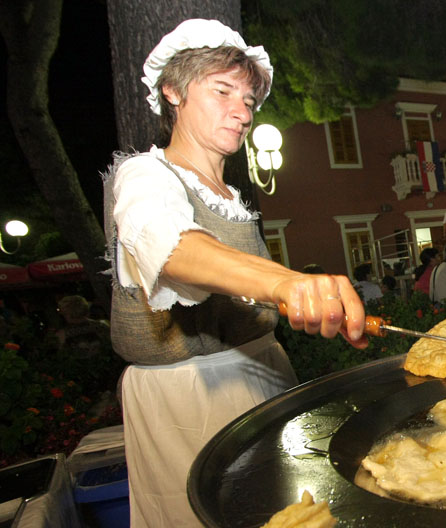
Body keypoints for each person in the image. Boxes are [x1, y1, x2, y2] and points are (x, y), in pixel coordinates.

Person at [104, 19, 367, 527]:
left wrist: (288, 306)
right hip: (188, 399)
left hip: (261, 371)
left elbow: (237, 290)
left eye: (248, 99)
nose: (241, 110)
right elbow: (171, 246)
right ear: (173, 91)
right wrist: (286, 282)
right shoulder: (144, 174)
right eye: (222, 90)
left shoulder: (229, 198)